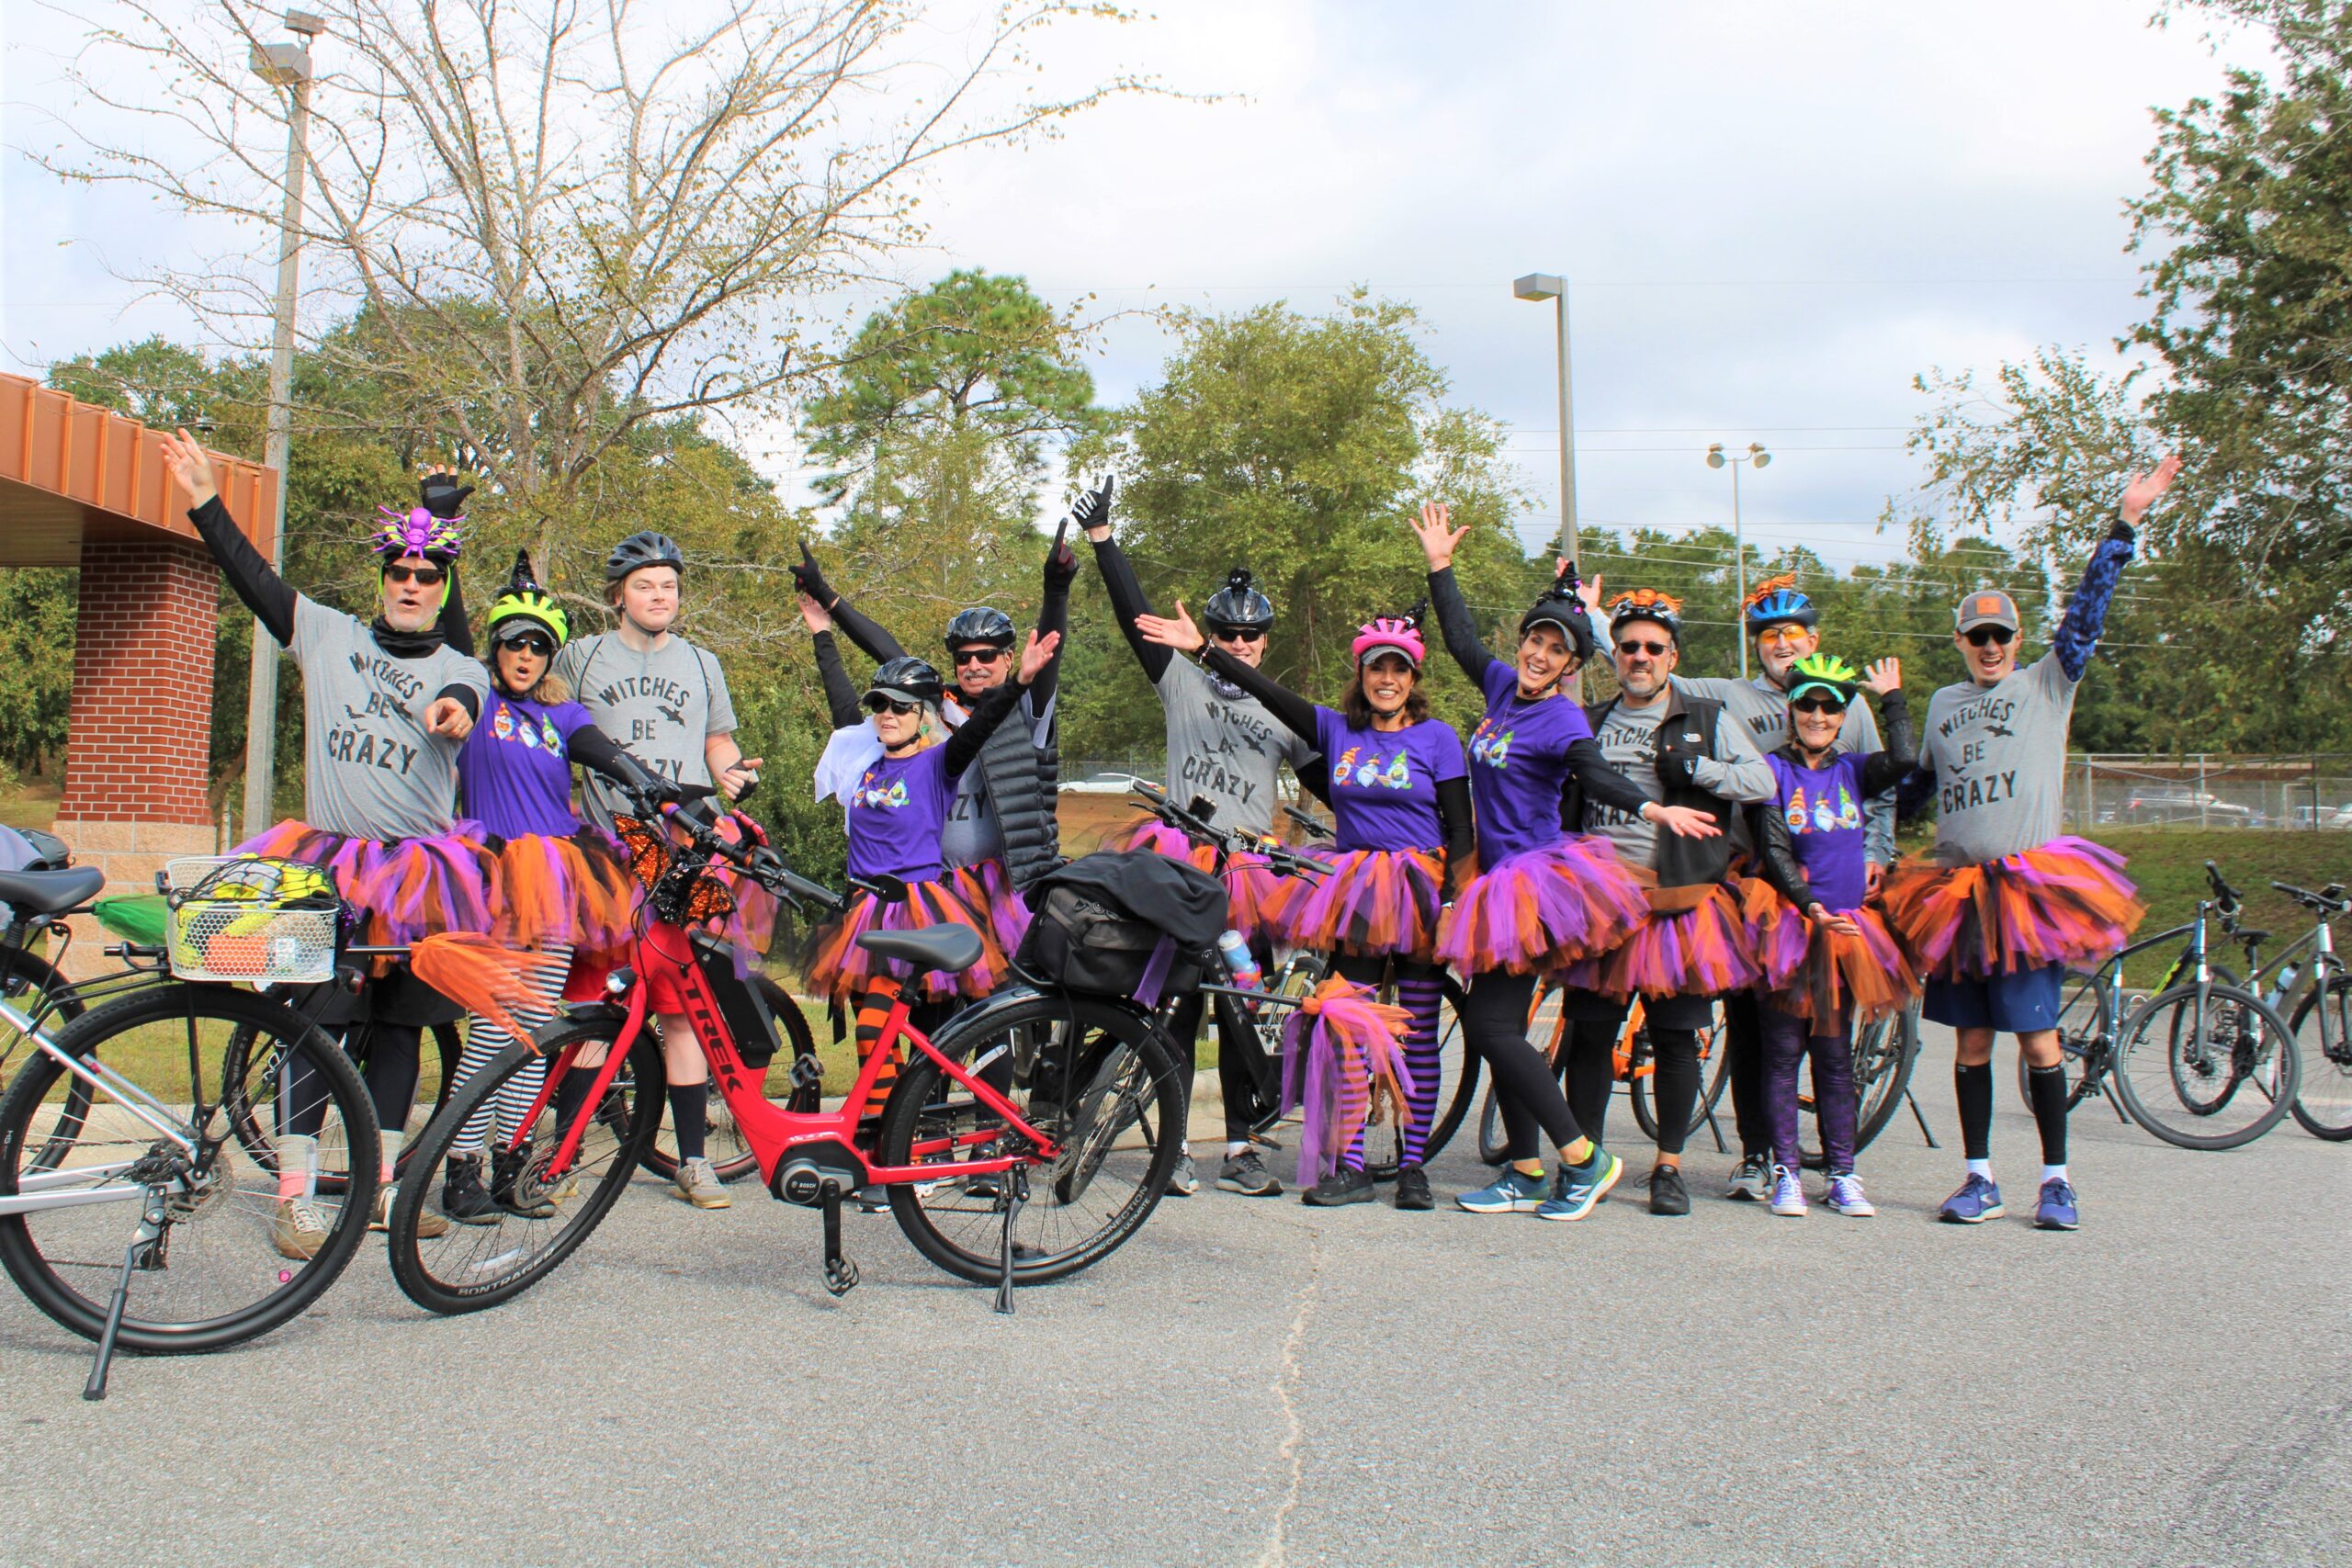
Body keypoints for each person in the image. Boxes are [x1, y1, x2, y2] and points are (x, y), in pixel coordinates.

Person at [160, 430, 492, 1257]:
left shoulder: (465, 665)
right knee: (316, 1023)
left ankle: (380, 1192)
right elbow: (257, 581)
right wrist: (206, 503)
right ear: (383, 581)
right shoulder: (327, 634)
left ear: (442, 585)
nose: (412, 584)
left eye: (427, 576)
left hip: (417, 875)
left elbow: (462, 694)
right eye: (401, 574)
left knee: (396, 1029)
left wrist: (453, 708)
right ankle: (296, 1198)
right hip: (328, 867)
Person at [1408, 503, 1722, 1222]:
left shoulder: (1563, 717)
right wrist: (1439, 566)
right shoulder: (1499, 692)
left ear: (1573, 665)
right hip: (1493, 882)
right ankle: (1522, 1168)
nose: (1540, 654)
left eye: (1557, 649)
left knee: (1491, 1029)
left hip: (1536, 886)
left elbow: (1596, 775)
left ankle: (1584, 1158)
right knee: (1503, 1031)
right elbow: (1457, 637)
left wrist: (1653, 809)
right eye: (1535, 641)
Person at [1886, 458, 2176, 1231]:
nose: (1990, 645)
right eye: (1978, 635)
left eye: (2001, 634)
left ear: (2018, 640)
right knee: (1972, 1041)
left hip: (2024, 894)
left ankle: (2057, 1179)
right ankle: (1979, 1177)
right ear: (1959, 639)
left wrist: (2127, 522)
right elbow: (1915, 790)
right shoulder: (1946, 702)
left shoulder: (2049, 682)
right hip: (1956, 892)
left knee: (2040, 1040)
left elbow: (2087, 613)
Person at [1134, 598, 1471, 1210]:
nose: (1387, 679)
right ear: (1362, 675)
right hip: (1358, 896)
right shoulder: (1333, 729)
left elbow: (1463, 831)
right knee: (1346, 1026)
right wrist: (1201, 649)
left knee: (1417, 1034)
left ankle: (1414, 1165)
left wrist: (1454, 905)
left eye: (1398, 668)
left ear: (1414, 678)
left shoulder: (1439, 739)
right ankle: (1349, 1165)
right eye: (1376, 667)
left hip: (1420, 892)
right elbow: (1261, 687)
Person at [1622, 572, 1900, 1202]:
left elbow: (1882, 785)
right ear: (1758, 643)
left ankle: (1836, 1159)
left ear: (1813, 638)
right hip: (1755, 880)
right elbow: (1651, 666)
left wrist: (1879, 850)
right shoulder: (1732, 695)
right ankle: (1759, 1154)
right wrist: (1595, 620)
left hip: (1831, 880)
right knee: (1753, 1025)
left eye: (1793, 633)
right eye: (1770, 635)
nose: (1783, 644)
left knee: (1828, 1031)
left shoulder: (1845, 702)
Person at [1082, 479, 1320, 1199]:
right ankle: (1177, 1144)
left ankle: (1244, 1146)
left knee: (1243, 1009)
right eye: (1228, 635)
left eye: (1251, 636)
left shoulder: (1283, 711)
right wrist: (1104, 542)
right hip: (1182, 864)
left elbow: (1341, 780)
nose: (1240, 644)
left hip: (1251, 875)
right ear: (1211, 637)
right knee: (1176, 1006)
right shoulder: (1181, 681)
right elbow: (1136, 622)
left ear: (1265, 641)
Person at [443, 549, 676, 1221]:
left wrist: (650, 784)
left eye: (539, 646)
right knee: (492, 1031)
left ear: (551, 657)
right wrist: (451, 554)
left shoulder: (559, 716)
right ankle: (461, 1168)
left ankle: (512, 1167)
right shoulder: (478, 699)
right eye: (514, 642)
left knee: (532, 1033)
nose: (525, 654)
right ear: (495, 647)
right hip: (492, 880)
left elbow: (608, 753)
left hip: (556, 882)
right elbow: (456, 641)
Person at [797, 595, 1057, 1168]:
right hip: (864, 911)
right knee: (894, 1039)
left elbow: (982, 724)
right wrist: (823, 632)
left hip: (920, 909)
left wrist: (1020, 681)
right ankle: (890, 1148)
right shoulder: (867, 759)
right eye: (879, 706)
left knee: (916, 1028)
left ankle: (931, 1150)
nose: (886, 714)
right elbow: (845, 703)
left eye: (900, 706)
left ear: (926, 713)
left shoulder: (939, 762)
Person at [551, 531, 765, 1210]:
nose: (658, 596)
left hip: (682, 849)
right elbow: (551, 734)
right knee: (591, 1003)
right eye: (645, 585)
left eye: (668, 585)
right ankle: (565, 1155)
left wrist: (730, 772)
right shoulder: (578, 656)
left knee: (680, 1008)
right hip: (603, 849)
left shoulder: (703, 663)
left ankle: (694, 1161)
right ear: (620, 594)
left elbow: (716, 741)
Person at [1551, 586, 1780, 1216]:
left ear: (1672, 655)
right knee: (1591, 1034)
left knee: (1677, 1037)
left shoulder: (1706, 716)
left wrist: (1699, 768)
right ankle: (1586, 1158)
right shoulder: (1591, 718)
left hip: (1677, 901)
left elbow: (1761, 781)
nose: (1640, 656)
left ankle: (1669, 1166)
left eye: (1653, 647)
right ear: (1615, 656)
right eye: (1628, 647)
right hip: (1600, 899)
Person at [788, 516, 1079, 955]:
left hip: (1005, 881)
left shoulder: (1026, 707)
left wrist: (1056, 588)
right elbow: (886, 654)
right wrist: (828, 598)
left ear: (1008, 658)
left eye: (986, 656)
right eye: (964, 658)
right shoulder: (930, 708)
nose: (974, 665)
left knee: (1009, 1001)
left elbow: (1048, 657)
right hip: (935, 882)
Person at [1747, 653, 1918, 1219]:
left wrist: (1892, 700)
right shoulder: (1772, 770)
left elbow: (1906, 759)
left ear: (1843, 716)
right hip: (1791, 928)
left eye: (1830, 706)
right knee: (1781, 1054)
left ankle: (1843, 1172)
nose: (1818, 715)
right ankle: (1787, 1173)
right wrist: (1810, 906)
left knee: (1835, 1056)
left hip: (1848, 934)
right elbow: (1774, 849)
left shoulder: (1855, 770)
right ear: (1792, 709)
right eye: (1808, 704)